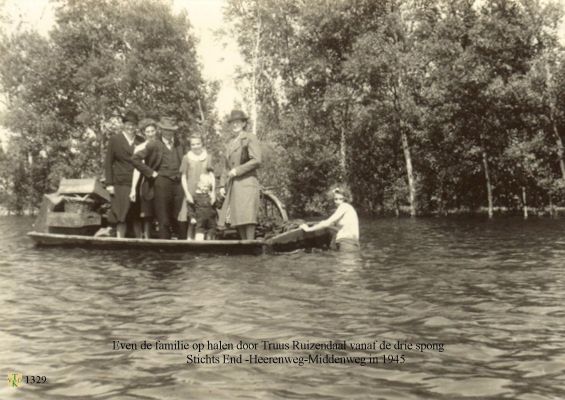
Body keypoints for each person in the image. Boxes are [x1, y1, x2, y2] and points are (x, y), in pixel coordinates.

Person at [131, 116, 186, 239]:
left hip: (178, 184)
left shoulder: (179, 144)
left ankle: (182, 251)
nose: (168, 133)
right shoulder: (154, 144)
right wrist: (151, 173)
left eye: (171, 130)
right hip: (161, 183)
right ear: (161, 130)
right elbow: (135, 159)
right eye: (166, 130)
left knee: (180, 218)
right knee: (163, 218)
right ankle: (164, 251)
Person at [218, 110, 262, 240]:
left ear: (244, 123)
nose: (235, 125)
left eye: (238, 122)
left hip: (247, 184)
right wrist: (221, 186)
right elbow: (226, 167)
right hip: (235, 187)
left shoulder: (249, 138)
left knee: (248, 219)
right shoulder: (230, 143)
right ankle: (245, 252)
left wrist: (238, 170)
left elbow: (257, 160)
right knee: (238, 221)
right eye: (232, 122)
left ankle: (250, 247)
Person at [104, 110, 144, 238]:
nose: (130, 127)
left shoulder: (140, 140)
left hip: (137, 182)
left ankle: (140, 242)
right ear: (124, 125)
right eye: (128, 124)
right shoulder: (115, 140)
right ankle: (119, 240)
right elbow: (108, 162)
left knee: (136, 214)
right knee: (121, 215)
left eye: (133, 124)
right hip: (120, 183)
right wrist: (109, 184)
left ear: (136, 126)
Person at [300, 186, 360, 251]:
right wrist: (320, 223)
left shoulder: (344, 206)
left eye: (341, 199)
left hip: (347, 244)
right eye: (335, 199)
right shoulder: (348, 209)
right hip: (351, 244)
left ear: (345, 199)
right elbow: (329, 224)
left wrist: (308, 229)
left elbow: (328, 222)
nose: (337, 201)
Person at [179, 134, 215, 239]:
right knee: (192, 219)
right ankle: (189, 241)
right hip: (191, 191)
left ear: (202, 144)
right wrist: (187, 194)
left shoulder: (208, 157)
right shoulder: (186, 158)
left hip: (204, 192)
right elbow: (183, 177)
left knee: (205, 218)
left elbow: (211, 176)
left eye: (198, 143)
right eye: (193, 144)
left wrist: (212, 192)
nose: (196, 146)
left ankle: (205, 243)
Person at [130, 118, 159, 239]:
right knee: (141, 211)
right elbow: (137, 168)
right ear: (143, 133)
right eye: (147, 131)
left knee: (152, 212)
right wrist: (133, 189)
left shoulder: (159, 145)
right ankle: (140, 238)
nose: (150, 134)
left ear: (156, 131)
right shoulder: (140, 147)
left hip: (156, 179)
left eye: (152, 131)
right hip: (143, 180)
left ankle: (149, 237)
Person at [187, 173, 217, 240]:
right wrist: (192, 217)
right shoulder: (195, 196)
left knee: (211, 239)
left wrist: (215, 198)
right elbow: (190, 208)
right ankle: (199, 249)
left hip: (211, 223)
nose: (206, 189)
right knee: (199, 239)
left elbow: (218, 206)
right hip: (200, 223)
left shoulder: (211, 196)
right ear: (199, 185)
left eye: (208, 187)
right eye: (204, 186)